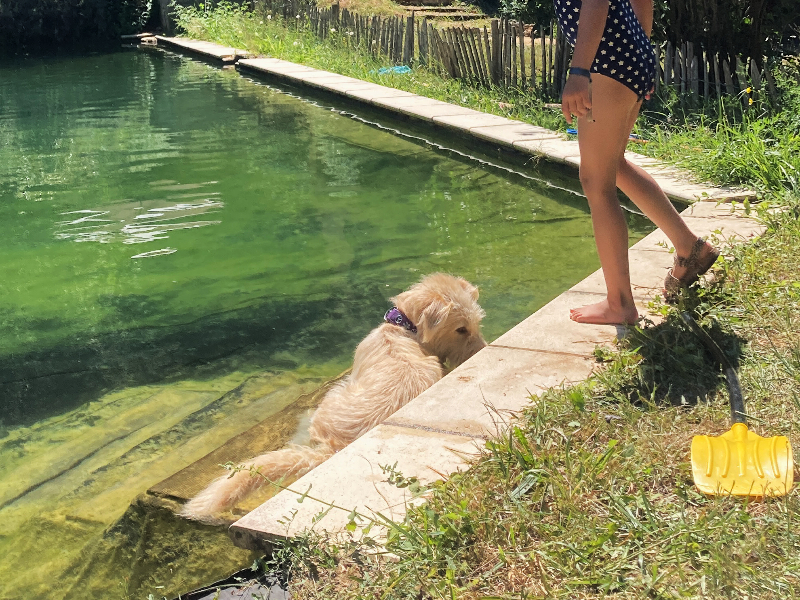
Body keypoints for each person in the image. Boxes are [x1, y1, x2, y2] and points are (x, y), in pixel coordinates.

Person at [554, 0, 719, 325]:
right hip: (627, 53)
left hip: (606, 60)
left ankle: (619, 304)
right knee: (613, 166)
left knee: (595, 182)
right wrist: (640, 52)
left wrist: (578, 71)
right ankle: (691, 248)